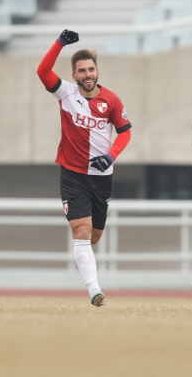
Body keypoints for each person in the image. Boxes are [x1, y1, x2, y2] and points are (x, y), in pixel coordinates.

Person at [36, 29, 132, 307]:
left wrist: (110, 157)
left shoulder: (112, 100)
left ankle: (85, 261)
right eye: (81, 70)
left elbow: (125, 133)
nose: (87, 74)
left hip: (102, 176)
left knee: (94, 236)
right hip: (72, 174)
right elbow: (43, 71)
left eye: (91, 69)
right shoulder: (64, 93)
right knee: (81, 229)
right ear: (74, 75)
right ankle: (94, 290)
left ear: (97, 71)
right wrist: (59, 43)